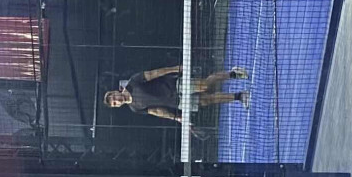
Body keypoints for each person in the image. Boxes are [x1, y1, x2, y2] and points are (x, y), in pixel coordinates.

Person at [106, 66, 248, 123]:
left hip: (175, 85)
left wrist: (175, 68)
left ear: (115, 92)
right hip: (177, 103)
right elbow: (156, 111)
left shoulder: (133, 82)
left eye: (114, 98)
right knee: (207, 100)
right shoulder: (135, 108)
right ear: (116, 106)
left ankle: (233, 73)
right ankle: (239, 96)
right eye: (114, 103)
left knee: (205, 85)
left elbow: (154, 73)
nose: (116, 101)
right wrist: (175, 117)